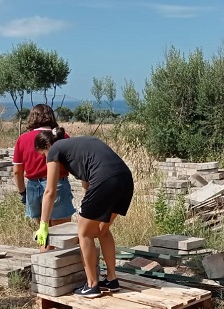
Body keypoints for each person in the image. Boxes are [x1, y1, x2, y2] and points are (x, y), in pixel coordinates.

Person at [34, 130, 134, 298]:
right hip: (125, 180)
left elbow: (50, 192)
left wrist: (43, 224)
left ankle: (92, 285)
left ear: (46, 146)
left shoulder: (54, 149)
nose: (46, 158)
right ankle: (111, 279)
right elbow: (87, 181)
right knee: (102, 230)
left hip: (105, 180)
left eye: (43, 155)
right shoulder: (78, 145)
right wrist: (86, 208)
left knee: (84, 233)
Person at [12, 104, 76, 244]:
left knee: (44, 234)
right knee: (63, 236)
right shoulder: (62, 136)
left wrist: (23, 192)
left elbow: (17, 171)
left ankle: (44, 263)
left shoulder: (23, 139)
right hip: (58, 185)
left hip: (33, 188)